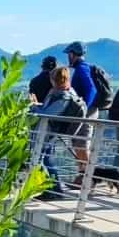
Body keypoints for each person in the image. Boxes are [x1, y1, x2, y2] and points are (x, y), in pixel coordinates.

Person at [32, 65, 87, 197]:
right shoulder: (66, 93)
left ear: (53, 80)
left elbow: (47, 114)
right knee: (45, 159)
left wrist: (34, 106)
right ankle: (51, 189)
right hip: (51, 132)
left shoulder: (63, 97)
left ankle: (53, 190)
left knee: (41, 160)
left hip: (48, 133)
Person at [64, 42, 97, 171]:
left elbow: (91, 89)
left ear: (73, 54)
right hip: (87, 111)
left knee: (81, 143)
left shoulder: (82, 68)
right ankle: (83, 175)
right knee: (79, 143)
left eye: (69, 54)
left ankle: (86, 177)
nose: (68, 57)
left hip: (86, 112)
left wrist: (84, 107)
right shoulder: (83, 68)